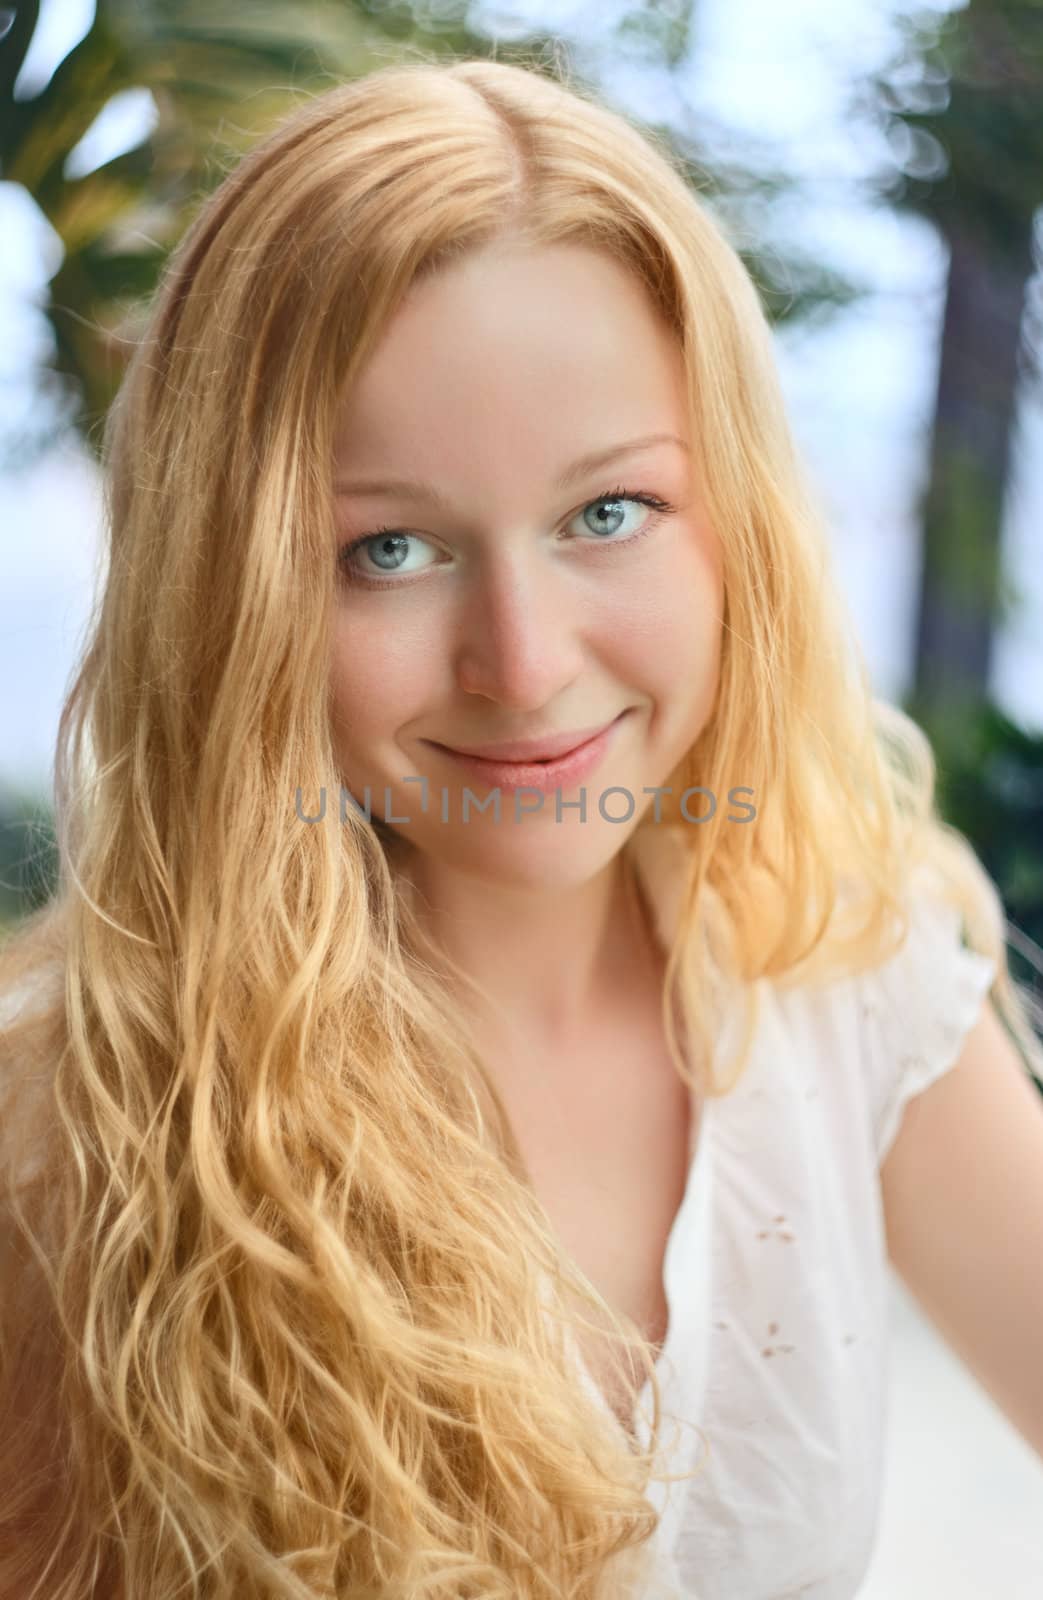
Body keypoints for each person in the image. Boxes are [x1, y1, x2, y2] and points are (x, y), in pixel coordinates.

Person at [1, 51, 1041, 1600]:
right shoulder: (74, 1133)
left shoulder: (841, 977)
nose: (527, 663)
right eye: (390, 549)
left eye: (606, 514)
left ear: (736, 520)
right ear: (232, 594)